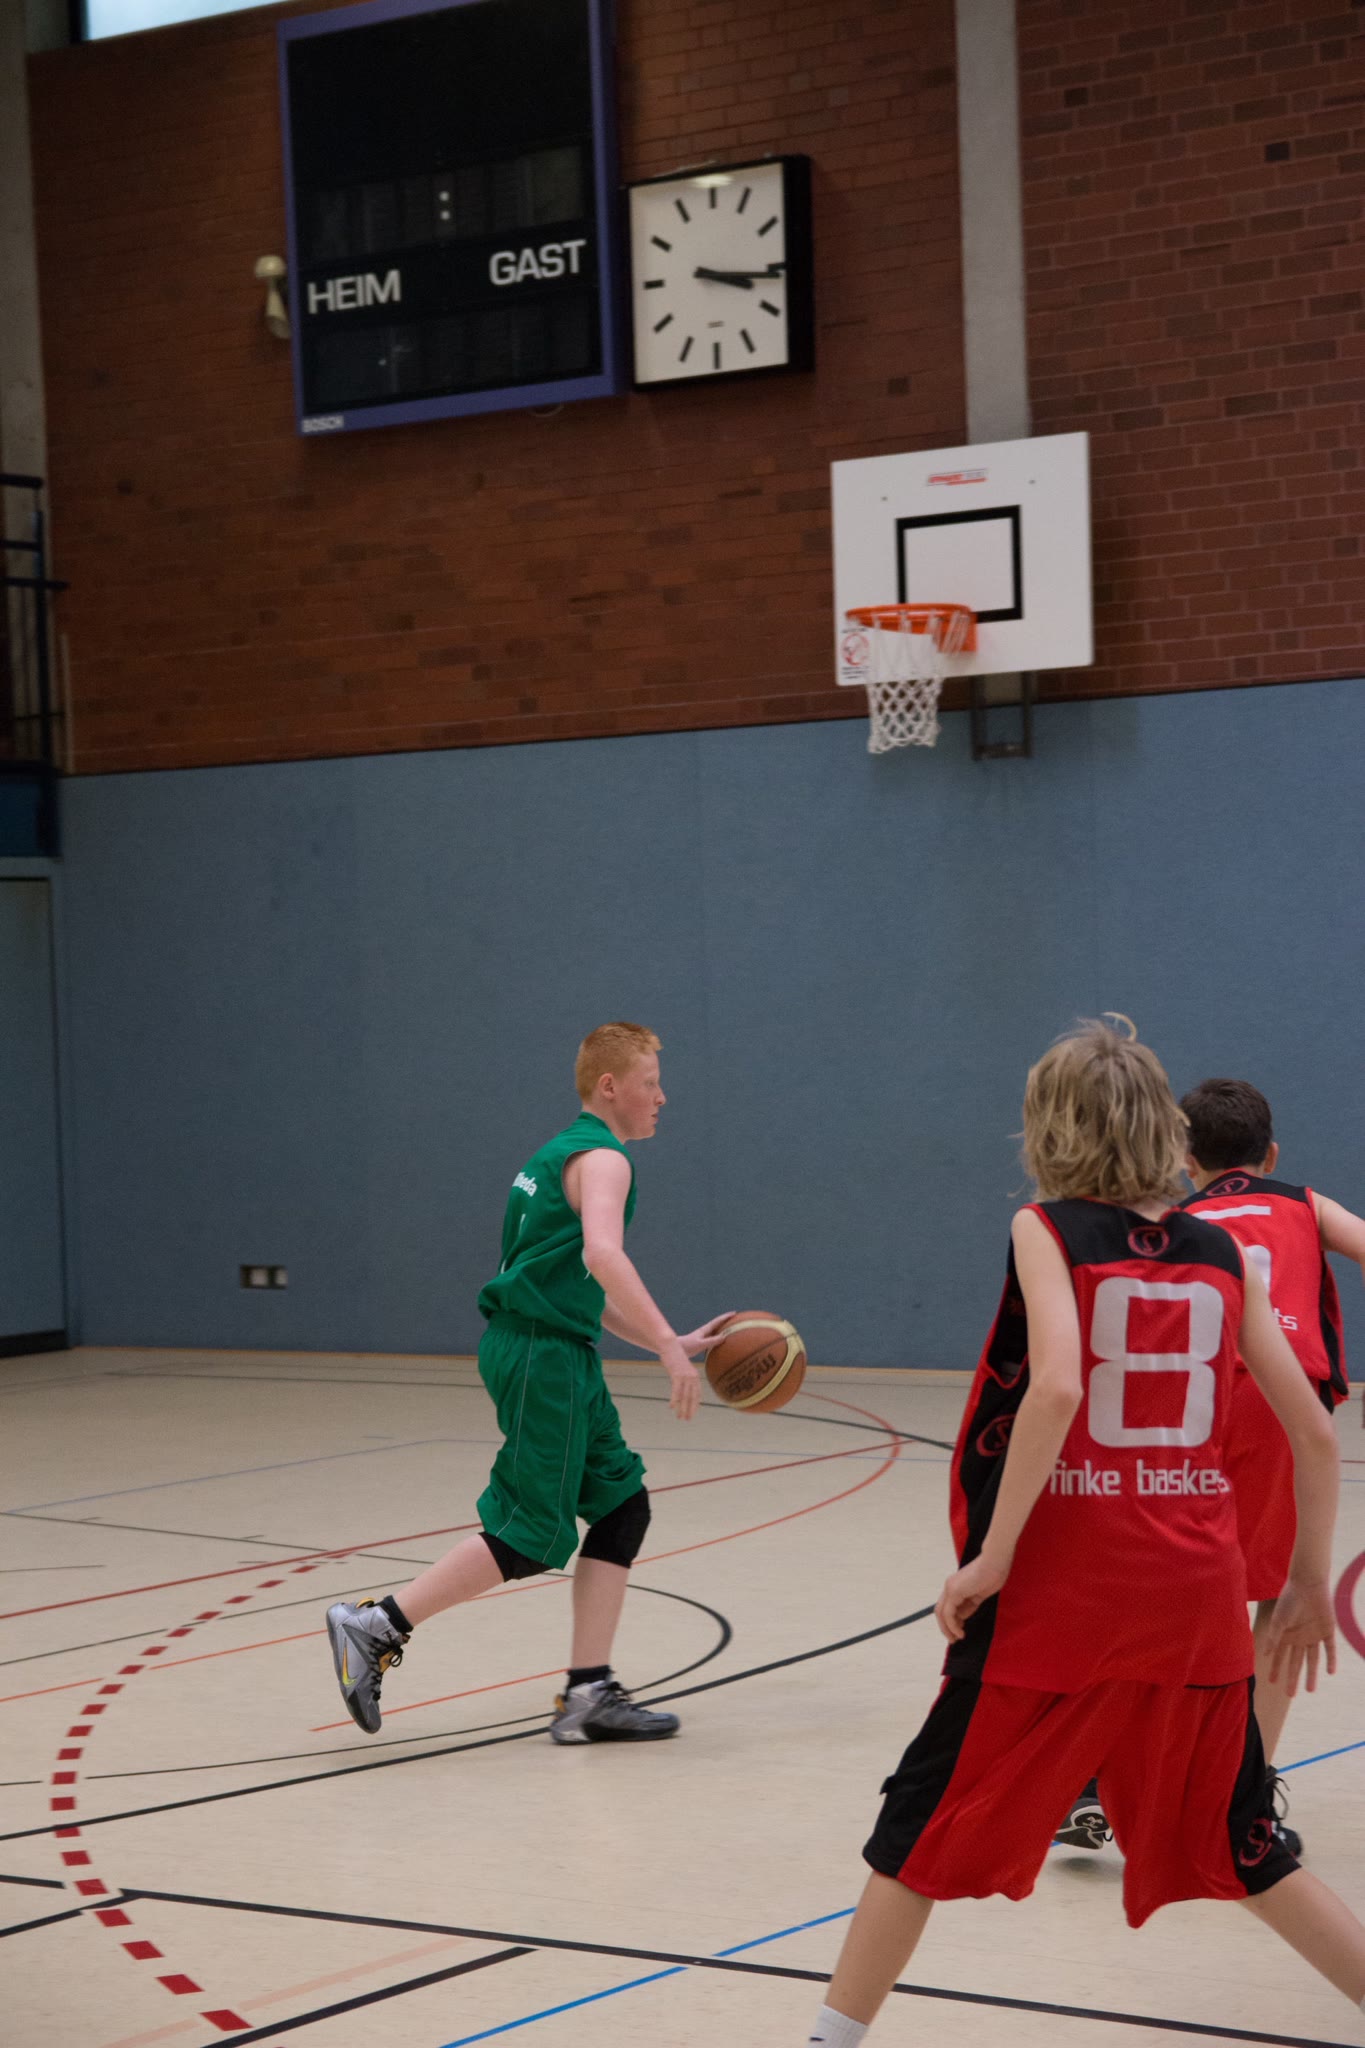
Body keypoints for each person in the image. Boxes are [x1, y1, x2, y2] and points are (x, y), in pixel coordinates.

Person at [804, 1020, 1365, 2048]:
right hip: (1194, 1596)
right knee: (1248, 1848)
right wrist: (1303, 1582)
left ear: (1051, 1127)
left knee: (914, 1831)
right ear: (1162, 1129)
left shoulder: (1048, 1229)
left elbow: (1057, 1383)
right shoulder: (1222, 1250)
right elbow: (1317, 1431)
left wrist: (993, 1555)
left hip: (1063, 1594)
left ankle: (827, 2039)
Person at [325, 1021, 729, 1744]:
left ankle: (588, 1693)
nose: (662, 1097)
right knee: (531, 1534)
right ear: (610, 1086)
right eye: (650, 1083)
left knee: (621, 1508)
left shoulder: (556, 1154)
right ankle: (377, 1624)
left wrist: (670, 1340)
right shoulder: (605, 1159)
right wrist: (668, 1349)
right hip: (545, 1359)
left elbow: (574, 1280)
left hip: (549, 1347)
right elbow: (604, 1256)